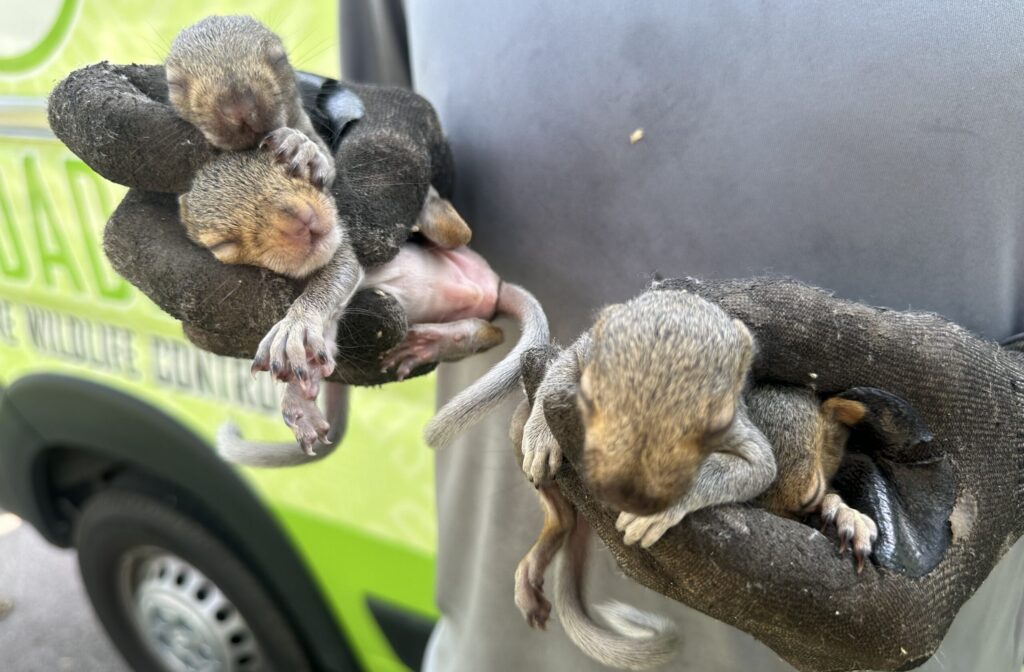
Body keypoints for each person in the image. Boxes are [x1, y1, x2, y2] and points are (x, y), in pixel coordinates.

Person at [346, 2, 1024, 669]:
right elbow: (382, 177)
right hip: (503, 640)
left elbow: (755, 458)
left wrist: (1013, 432)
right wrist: (328, 235)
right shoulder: (604, 351)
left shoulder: (738, 409)